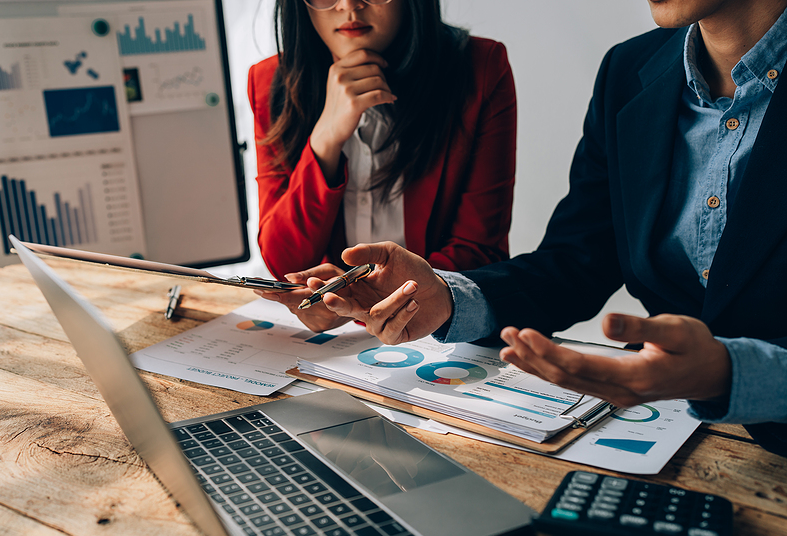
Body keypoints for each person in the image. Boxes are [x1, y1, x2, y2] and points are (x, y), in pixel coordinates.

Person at [259, 0, 787, 456]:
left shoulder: (475, 69)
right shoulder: (630, 71)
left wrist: (729, 373)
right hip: (675, 433)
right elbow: (575, 262)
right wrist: (444, 297)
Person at [248, 0, 516, 282]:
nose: (349, 5)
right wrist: (325, 140)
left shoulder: (481, 68)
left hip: (438, 320)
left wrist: (363, 298)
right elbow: (283, 264)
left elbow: (479, 251)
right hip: (330, 322)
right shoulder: (270, 81)